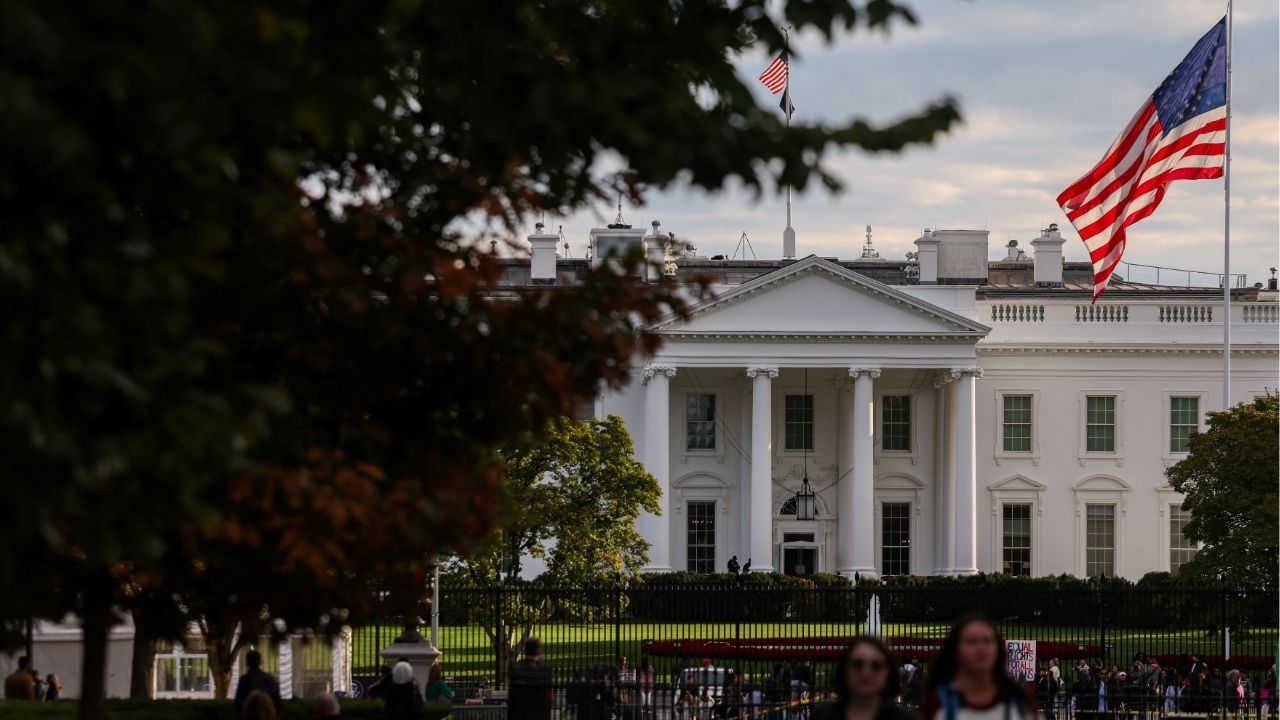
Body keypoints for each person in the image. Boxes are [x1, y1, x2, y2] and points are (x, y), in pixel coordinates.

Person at [922, 616, 1035, 720]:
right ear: (955, 650)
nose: (981, 649)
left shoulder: (1018, 702)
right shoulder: (937, 703)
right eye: (972, 641)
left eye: (987, 641)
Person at [811, 636, 917, 720]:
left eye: (876, 666)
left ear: (887, 673)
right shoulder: (822, 716)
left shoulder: (906, 718)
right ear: (845, 669)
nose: (866, 672)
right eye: (858, 664)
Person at [509, 637, 553, 720]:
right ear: (538, 651)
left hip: (520, 714)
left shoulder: (516, 669)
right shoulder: (544, 670)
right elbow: (548, 699)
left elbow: (512, 699)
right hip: (540, 714)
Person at [235, 650, 283, 717]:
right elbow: (278, 704)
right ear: (260, 662)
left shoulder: (244, 680)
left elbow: (238, 705)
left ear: (247, 663)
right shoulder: (270, 679)